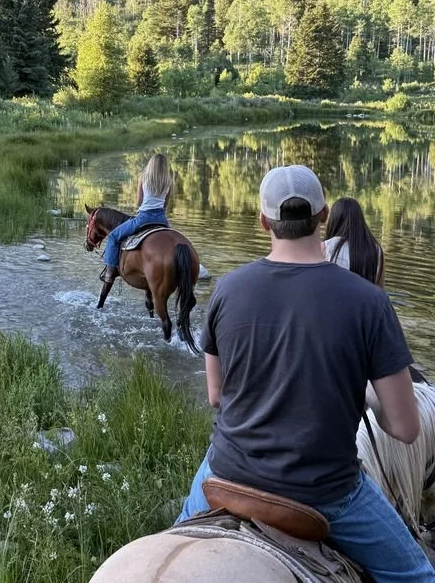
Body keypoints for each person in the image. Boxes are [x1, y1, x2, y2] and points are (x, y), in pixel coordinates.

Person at [176, 164, 433, 583]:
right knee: (417, 576)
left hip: (226, 472)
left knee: (174, 540)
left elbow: (216, 396)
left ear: (263, 221)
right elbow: (404, 428)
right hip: (326, 493)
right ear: (323, 216)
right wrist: (368, 397)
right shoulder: (369, 303)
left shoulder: (227, 288)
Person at [101, 153, 172, 284]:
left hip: (144, 218)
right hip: (162, 220)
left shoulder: (143, 177)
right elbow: (165, 204)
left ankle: (110, 271)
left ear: (151, 164)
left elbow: (139, 202)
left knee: (113, 236)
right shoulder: (168, 181)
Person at [324, 196, 384, 286]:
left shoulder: (326, 247)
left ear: (333, 220)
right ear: (360, 220)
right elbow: (380, 289)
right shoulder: (376, 249)